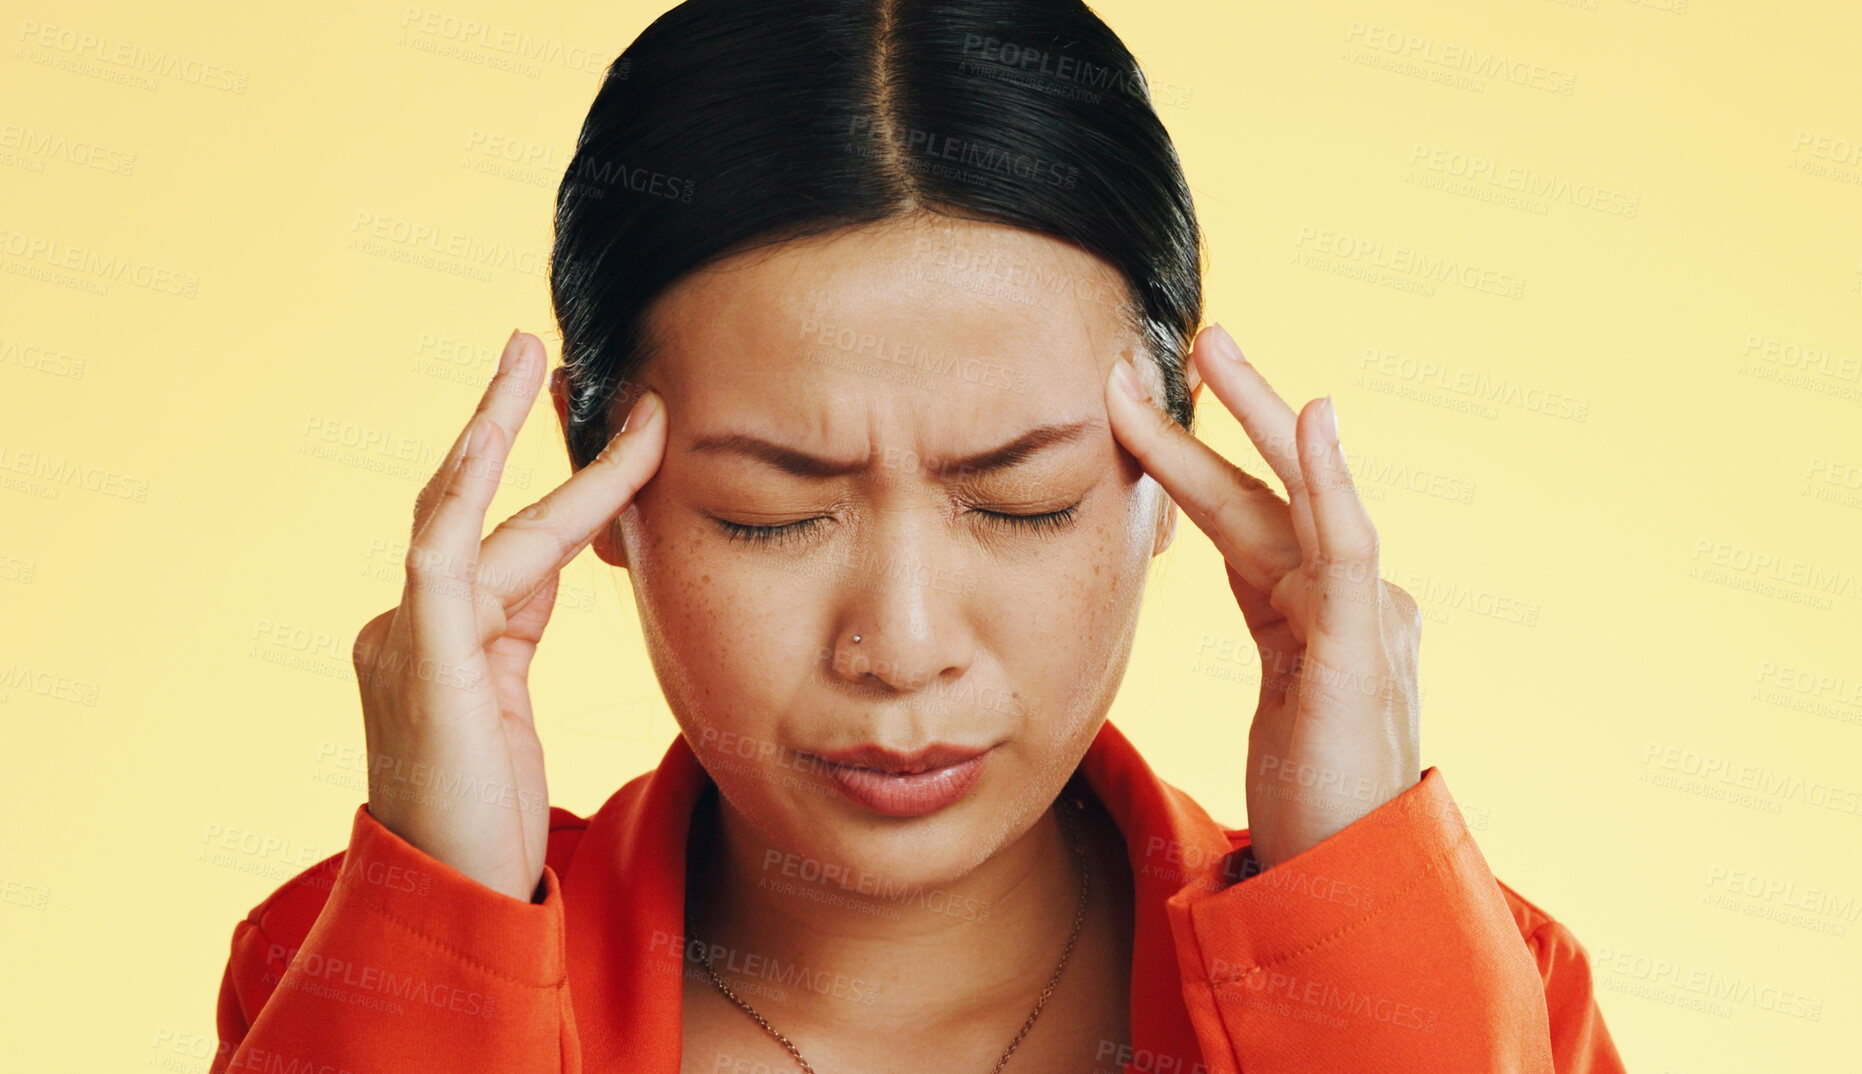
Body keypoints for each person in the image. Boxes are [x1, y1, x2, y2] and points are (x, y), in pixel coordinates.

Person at [209, 1, 1627, 1071]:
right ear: (600, 482)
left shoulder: (1481, 990)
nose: (900, 645)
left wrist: (1353, 923)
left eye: (1023, 499)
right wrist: (435, 913)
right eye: (770, 512)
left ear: (1169, 476)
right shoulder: (341, 980)